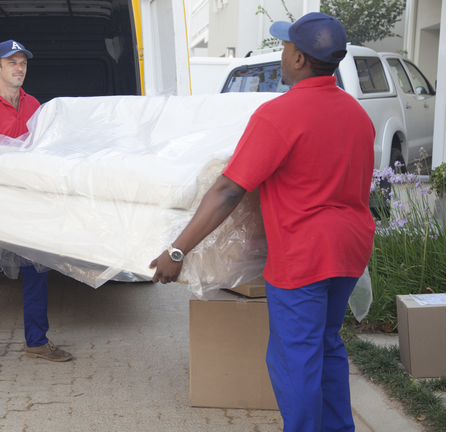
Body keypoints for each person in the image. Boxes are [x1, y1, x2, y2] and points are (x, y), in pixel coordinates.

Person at [149, 13, 375, 432]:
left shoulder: (280, 115)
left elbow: (227, 191)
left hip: (304, 256)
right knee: (326, 344)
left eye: (287, 46)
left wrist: (178, 250)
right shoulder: (356, 114)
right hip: (350, 251)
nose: (283, 52)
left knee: (295, 358)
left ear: (301, 59)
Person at [0, 40, 73, 375]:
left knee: (36, 274)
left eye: (23, 63)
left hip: (26, 203)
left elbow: (40, 151)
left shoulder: (35, 104)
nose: (19, 68)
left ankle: (36, 341)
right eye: (12, 63)